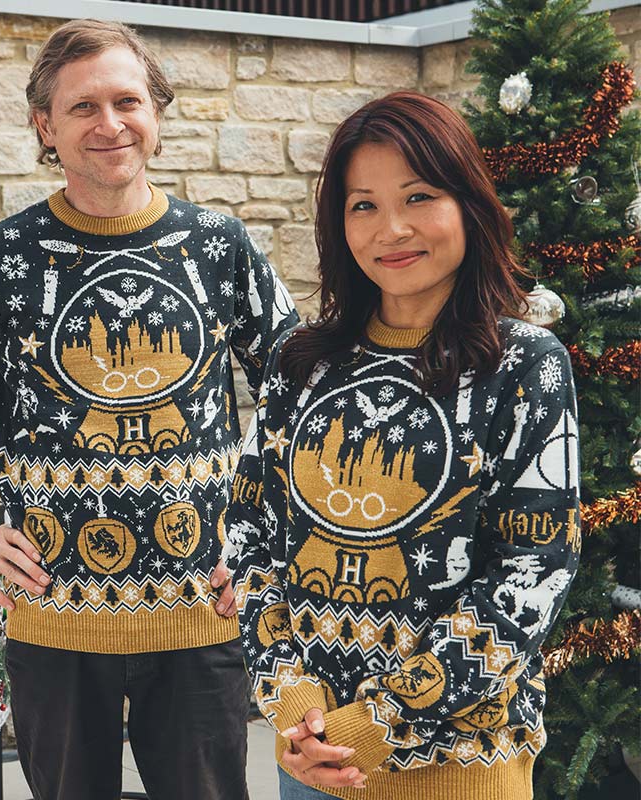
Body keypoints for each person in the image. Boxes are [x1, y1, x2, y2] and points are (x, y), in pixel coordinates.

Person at [0, 19, 298, 800]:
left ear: (156, 112)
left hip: (200, 617)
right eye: (82, 107)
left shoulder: (221, 246)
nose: (110, 124)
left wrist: (267, 538)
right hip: (53, 622)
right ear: (46, 127)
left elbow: (302, 395)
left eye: (127, 101)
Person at [224, 91, 580, 800]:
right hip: (312, 760)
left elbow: (534, 569)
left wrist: (379, 722)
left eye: (418, 196)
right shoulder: (301, 361)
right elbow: (248, 534)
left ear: (468, 204)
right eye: (363, 205)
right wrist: (293, 702)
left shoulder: (525, 364)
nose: (392, 229)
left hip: (463, 768)